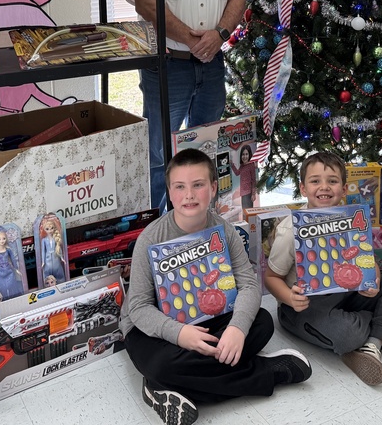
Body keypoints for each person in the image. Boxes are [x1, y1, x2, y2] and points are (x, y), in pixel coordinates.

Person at [121, 148, 311, 425]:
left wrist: (235, 329)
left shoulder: (225, 230)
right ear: (170, 192)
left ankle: (164, 387)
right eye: (180, 187)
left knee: (261, 323)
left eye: (198, 185)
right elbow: (137, 307)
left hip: (213, 316)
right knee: (159, 364)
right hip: (155, 328)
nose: (189, 195)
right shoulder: (150, 238)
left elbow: (248, 285)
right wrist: (179, 334)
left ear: (212, 188)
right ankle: (264, 374)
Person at [127, 0, 251, 209]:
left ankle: (201, 221)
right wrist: (191, 38)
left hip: (212, 65)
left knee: (208, 147)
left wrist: (220, 34)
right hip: (168, 67)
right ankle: (156, 224)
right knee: (159, 151)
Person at [265, 152, 382, 386]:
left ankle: (372, 345)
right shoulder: (291, 230)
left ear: (345, 187)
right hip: (304, 304)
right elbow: (271, 277)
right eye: (315, 181)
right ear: (303, 188)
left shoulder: (354, 219)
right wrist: (288, 297)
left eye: (332, 181)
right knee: (347, 335)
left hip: (348, 291)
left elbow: (368, 261)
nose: (324, 187)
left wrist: (373, 280)